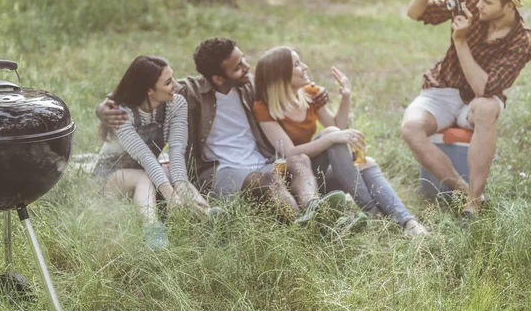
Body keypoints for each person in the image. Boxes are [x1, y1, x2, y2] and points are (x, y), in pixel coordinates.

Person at [97, 38, 346, 225]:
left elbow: (282, 85)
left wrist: (316, 93)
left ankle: (313, 209)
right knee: (269, 182)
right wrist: (103, 109)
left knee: (299, 160)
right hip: (217, 171)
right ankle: (306, 226)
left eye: (243, 60)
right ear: (217, 78)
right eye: (237, 67)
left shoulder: (249, 89)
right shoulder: (191, 92)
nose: (247, 67)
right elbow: (141, 88)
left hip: (261, 161)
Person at [253, 46, 428, 236]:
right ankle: (372, 211)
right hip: (296, 180)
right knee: (331, 134)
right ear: (281, 74)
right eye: (297, 64)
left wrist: (345, 97)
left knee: (365, 162)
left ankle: (408, 222)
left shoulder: (309, 94)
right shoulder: (264, 107)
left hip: (317, 172)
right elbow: (289, 153)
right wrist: (331, 137)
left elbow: (338, 127)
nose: (305, 66)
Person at [402, 0, 531, 216]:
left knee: (486, 108)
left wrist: (460, 41)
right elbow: (416, 13)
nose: (479, 5)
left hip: (478, 99)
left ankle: (475, 198)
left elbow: (483, 89)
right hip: (443, 87)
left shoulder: (522, 41)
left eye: (488, 3)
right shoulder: (471, 3)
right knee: (410, 128)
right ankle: (464, 192)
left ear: (509, 6)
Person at [94, 55, 212, 250]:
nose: (176, 85)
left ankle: (208, 216)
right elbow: (145, 157)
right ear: (149, 89)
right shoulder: (122, 112)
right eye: (168, 82)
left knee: (179, 180)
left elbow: (176, 151)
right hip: (111, 175)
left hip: (150, 170)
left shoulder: (177, 104)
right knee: (146, 178)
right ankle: (154, 236)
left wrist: (180, 186)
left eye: (173, 78)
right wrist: (170, 195)